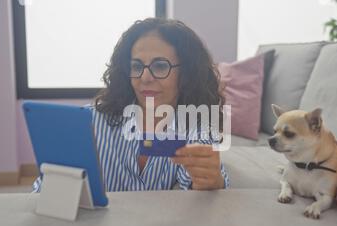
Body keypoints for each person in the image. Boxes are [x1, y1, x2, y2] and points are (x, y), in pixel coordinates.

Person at [33, 17, 229, 192]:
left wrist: (212, 182)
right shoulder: (86, 123)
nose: (144, 78)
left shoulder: (197, 125)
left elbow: (200, 191)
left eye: (160, 66)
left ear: (187, 74)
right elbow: (44, 191)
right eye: (136, 66)